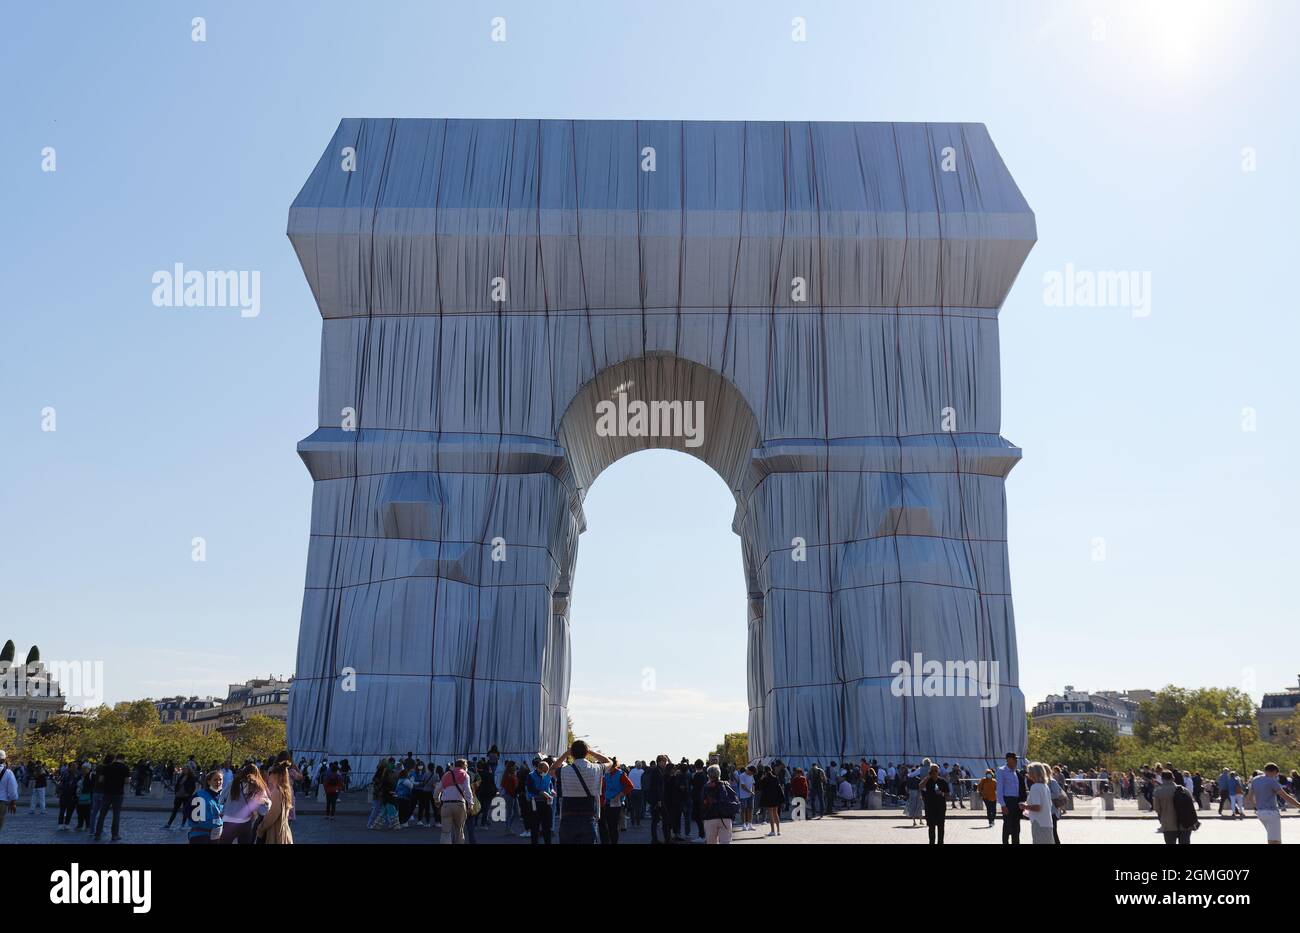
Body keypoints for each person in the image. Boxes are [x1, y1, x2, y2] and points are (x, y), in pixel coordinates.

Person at [552, 739, 610, 844]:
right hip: (588, 816)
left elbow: (552, 769)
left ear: (572, 753)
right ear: (586, 753)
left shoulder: (565, 770)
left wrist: (565, 753)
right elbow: (609, 762)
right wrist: (591, 751)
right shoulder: (596, 769)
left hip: (568, 816)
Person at [1250, 763, 1300, 844]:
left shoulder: (1255, 779)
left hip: (1260, 812)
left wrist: (1256, 807)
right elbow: (1285, 796)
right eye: (1276, 774)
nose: (1276, 776)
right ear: (1273, 771)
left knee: (1272, 838)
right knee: (1275, 841)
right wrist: (1298, 805)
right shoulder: (1271, 781)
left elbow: (1249, 797)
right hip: (1271, 812)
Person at [220, 765, 269, 844]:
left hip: (228, 821)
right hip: (245, 823)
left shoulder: (233, 783)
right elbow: (263, 811)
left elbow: (221, 799)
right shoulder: (258, 787)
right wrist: (267, 802)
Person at [1152, 769, 1198, 845]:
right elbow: (1191, 806)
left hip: (1168, 824)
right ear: (1173, 778)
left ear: (1162, 779)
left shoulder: (1158, 792)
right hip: (1185, 823)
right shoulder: (1184, 790)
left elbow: (1157, 809)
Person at [92, 752, 130, 842]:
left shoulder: (107, 767)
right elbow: (127, 781)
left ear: (116, 758)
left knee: (102, 814)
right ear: (123, 759)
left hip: (107, 793)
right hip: (118, 793)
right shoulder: (125, 768)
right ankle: (114, 835)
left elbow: (101, 780)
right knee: (116, 815)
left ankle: (97, 834)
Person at [255, 761, 294, 844]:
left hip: (275, 834)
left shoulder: (277, 792)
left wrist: (260, 828)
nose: (269, 776)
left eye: (270, 773)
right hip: (282, 831)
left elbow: (272, 816)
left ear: (276, 775)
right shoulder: (284, 790)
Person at [437, 758, 474, 844]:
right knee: (459, 832)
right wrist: (470, 804)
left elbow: (437, 789)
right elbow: (468, 791)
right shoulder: (465, 775)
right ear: (464, 766)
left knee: (445, 832)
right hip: (460, 805)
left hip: (446, 805)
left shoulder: (446, 775)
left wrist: (437, 800)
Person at [700, 764, 739, 843]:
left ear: (708, 775)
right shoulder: (726, 785)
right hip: (726, 817)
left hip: (710, 818)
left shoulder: (706, 787)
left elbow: (702, 803)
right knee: (725, 842)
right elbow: (734, 799)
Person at [187, 769, 225, 845]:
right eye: (215, 780)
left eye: (220, 779)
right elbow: (187, 811)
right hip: (200, 836)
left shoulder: (222, 796)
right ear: (208, 781)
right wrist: (203, 823)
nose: (218, 782)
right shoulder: (200, 795)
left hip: (216, 836)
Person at [599, 759, 632, 844]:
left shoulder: (620, 774)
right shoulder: (604, 774)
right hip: (604, 803)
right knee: (603, 826)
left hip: (615, 804)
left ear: (613, 765)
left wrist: (620, 794)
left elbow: (630, 786)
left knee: (613, 826)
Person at [1021, 762, 1054, 845]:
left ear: (1034, 773)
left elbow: (1037, 807)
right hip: (1047, 822)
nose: (1028, 774)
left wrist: (1025, 806)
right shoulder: (1045, 786)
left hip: (1038, 822)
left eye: (1029, 772)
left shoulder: (1035, 787)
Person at [996, 751, 1025, 845]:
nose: (1016, 760)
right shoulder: (1001, 771)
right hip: (1008, 801)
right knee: (1007, 826)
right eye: (1014, 759)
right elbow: (999, 789)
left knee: (1016, 827)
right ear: (1008, 759)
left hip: (1016, 802)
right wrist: (1003, 805)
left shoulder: (1015, 772)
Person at [525, 759, 554, 845]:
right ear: (539, 768)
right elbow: (530, 788)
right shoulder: (531, 776)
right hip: (535, 803)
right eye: (544, 770)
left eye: (547, 770)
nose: (545, 772)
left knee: (547, 828)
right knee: (535, 828)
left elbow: (550, 786)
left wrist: (552, 791)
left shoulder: (548, 775)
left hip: (546, 803)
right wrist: (541, 792)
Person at [920, 763, 949, 844]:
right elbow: (920, 787)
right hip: (930, 808)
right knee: (931, 827)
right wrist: (927, 778)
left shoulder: (942, 781)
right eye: (932, 771)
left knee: (941, 827)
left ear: (938, 771)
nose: (934, 773)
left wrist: (941, 793)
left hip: (940, 807)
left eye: (936, 771)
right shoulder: (927, 780)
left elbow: (948, 794)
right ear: (929, 771)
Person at [164, 764, 197, 831]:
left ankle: (183, 824)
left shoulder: (191, 777)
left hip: (186, 796)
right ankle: (169, 823)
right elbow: (177, 784)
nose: (184, 770)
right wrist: (176, 792)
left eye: (185, 769)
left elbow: (193, 787)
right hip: (179, 795)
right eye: (183, 769)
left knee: (184, 811)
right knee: (174, 810)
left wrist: (189, 793)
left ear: (188, 770)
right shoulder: (181, 776)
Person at [758, 764, 784, 837]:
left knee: (770, 814)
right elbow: (779, 788)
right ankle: (778, 830)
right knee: (776, 813)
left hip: (768, 798)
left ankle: (773, 831)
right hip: (775, 798)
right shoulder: (775, 778)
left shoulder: (765, 779)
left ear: (765, 772)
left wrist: (761, 778)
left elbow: (760, 787)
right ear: (771, 770)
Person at [0, 750, 17, 833]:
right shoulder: (8, 772)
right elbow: (12, 789)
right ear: (4, 760)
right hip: (1, 802)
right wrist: (13, 802)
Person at [737, 765, 755, 830]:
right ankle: (744, 825)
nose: (752, 774)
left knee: (750, 809)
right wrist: (750, 792)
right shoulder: (742, 776)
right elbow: (743, 786)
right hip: (743, 796)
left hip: (750, 795)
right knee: (743, 810)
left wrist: (753, 791)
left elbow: (753, 784)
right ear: (749, 770)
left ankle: (750, 824)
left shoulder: (751, 775)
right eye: (752, 773)